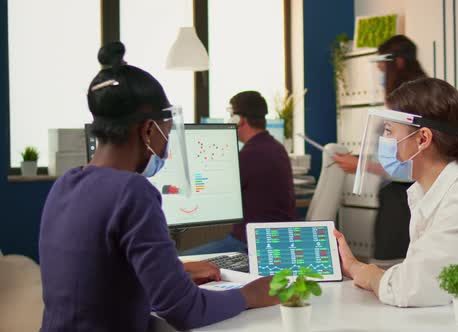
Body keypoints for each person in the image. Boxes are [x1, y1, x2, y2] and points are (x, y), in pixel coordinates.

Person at [38, 42, 277, 332]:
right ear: (148, 130)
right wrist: (249, 294)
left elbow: (96, 280)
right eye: (167, 132)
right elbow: (185, 311)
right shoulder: (132, 192)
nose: (166, 145)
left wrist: (175, 274)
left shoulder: (65, 184)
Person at [335, 77, 458, 310]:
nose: (384, 141)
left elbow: (411, 289)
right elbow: (424, 276)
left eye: (389, 131)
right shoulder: (429, 193)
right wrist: (356, 267)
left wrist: (363, 271)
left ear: (422, 139)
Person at [332, 35, 427, 261]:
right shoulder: (416, 98)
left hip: (402, 201)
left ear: (399, 63)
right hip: (396, 198)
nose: (381, 77)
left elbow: (407, 166)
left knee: (391, 267)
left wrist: (361, 165)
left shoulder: (409, 103)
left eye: (384, 70)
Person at [183, 91, 296, 255]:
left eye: (231, 116)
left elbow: (213, 191)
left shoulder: (250, 155)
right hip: (275, 240)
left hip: (251, 244)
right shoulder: (275, 147)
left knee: (181, 262)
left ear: (239, 119)